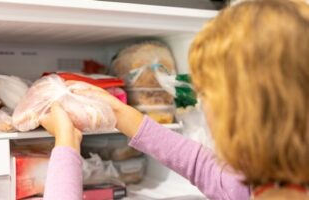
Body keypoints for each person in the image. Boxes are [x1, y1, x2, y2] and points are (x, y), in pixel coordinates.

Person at [42, 0, 309, 199]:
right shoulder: (268, 184)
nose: (205, 108)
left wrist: (67, 143)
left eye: (207, 94)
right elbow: (205, 168)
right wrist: (120, 113)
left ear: (242, 112)